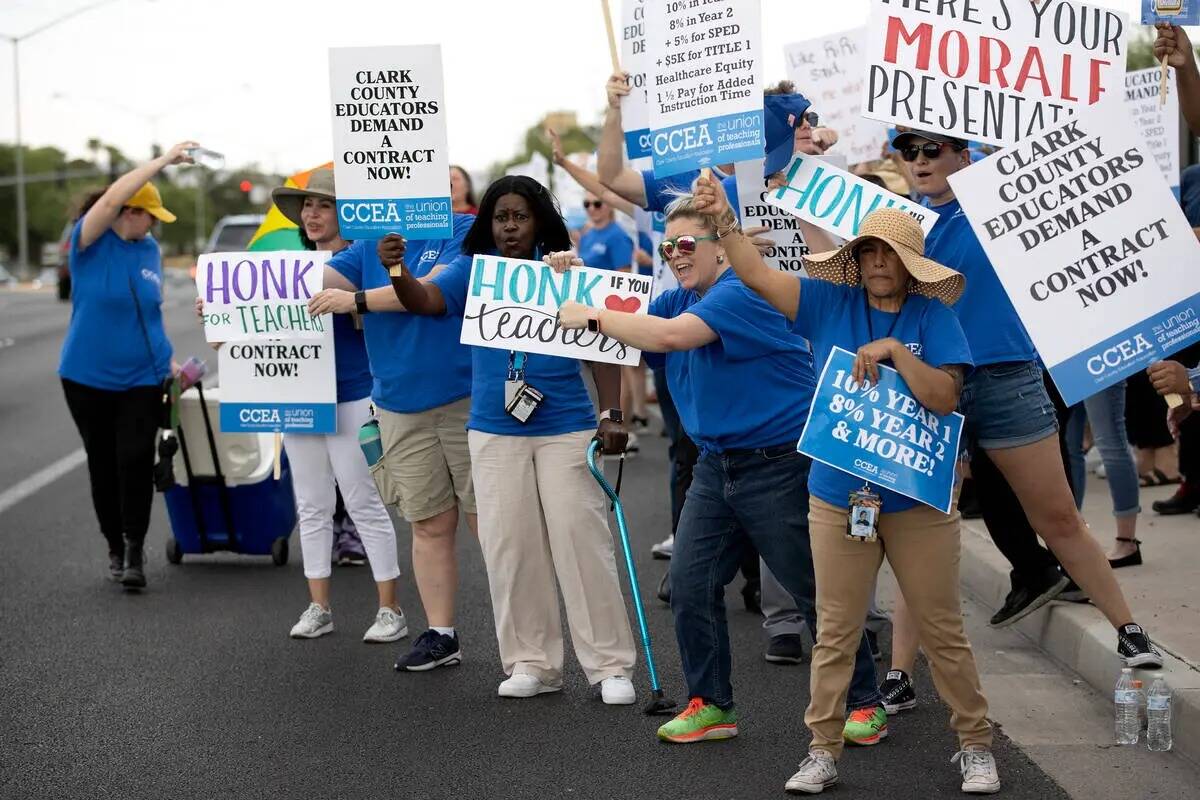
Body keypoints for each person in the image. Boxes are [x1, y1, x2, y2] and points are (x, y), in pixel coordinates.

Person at [700, 174, 998, 791]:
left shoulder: (933, 316)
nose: (877, 262)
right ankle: (823, 750)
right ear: (856, 259)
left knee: (942, 628)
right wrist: (725, 223)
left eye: (889, 253)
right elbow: (756, 274)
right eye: (867, 251)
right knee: (836, 630)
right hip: (839, 497)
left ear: (910, 264)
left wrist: (896, 350)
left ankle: (974, 744)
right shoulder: (828, 304)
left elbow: (946, 397)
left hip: (916, 499)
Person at [551, 190, 883, 743]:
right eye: (667, 246)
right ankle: (711, 704)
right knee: (689, 583)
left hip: (779, 462)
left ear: (721, 250)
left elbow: (669, 337)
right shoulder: (682, 297)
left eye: (686, 244)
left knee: (812, 588)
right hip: (716, 465)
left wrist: (590, 313)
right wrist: (574, 275)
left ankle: (865, 699)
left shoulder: (739, 293)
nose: (675, 255)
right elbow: (632, 320)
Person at [893, 129, 1161, 667]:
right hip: (932, 384)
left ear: (964, 158)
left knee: (1058, 517)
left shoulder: (998, 210)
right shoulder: (901, 227)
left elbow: (1029, 163)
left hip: (1005, 378)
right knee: (919, 528)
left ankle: (1131, 634)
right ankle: (899, 671)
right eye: (909, 151)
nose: (919, 161)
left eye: (932, 150)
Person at [381, 175, 638, 704]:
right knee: (510, 548)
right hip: (494, 433)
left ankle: (610, 666)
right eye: (501, 217)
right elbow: (425, 300)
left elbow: (603, 342)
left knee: (582, 543)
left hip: (565, 426)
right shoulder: (472, 272)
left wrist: (611, 412)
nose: (510, 226)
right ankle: (532, 662)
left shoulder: (567, 271)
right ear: (488, 224)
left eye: (520, 216)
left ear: (540, 219)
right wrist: (396, 269)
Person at [199, 167, 406, 641]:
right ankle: (319, 606)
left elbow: (378, 324)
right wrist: (220, 313)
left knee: (362, 501)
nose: (312, 214)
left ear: (345, 212)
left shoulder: (362, 259)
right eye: (306, 206)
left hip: (353, 393)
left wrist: (350, 302)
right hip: (298, 396)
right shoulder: (286, 269)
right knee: (310, 504)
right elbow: (240, 338)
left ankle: (390, 610)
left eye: (323, 205)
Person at [306, 171, 478, 671]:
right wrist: (230, 299)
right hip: (399, 407)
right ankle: (442, 635)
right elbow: (308, 284)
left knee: (487, 522)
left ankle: (523, 643)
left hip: (465, 399)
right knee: (427, 523)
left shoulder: (463, 228)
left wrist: (356, 299)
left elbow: (431, 292)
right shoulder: (364, 245)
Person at [60, 141, 195, 589]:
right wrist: (163, 161)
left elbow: (148, 314)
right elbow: (113, 197)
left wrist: (170, 361)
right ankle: (114, 546)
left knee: (134, 458)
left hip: (142, 376)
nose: (154, 223)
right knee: (102, 464)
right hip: (86, 377)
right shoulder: (89, 241)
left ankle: (135, 548)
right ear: (129, 211)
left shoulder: (149, 249)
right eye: (149, 214)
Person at [547, 126, 648, 451]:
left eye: (597, 204)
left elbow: (622, 276)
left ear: (608, 207)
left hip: (612, 309)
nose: (593, 208)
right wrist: (563, 164)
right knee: (605, 372)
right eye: (588, 205)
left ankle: (627, 427)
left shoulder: (618, 235)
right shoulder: (589, 235)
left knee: (623, 368)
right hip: (587, 313)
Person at [1063, 385, 1143, 567]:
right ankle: (1073, 539)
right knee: (1069, 444)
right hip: (1059, 360)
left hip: (1088, 357)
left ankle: (1126, 540)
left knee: (1110, 438)